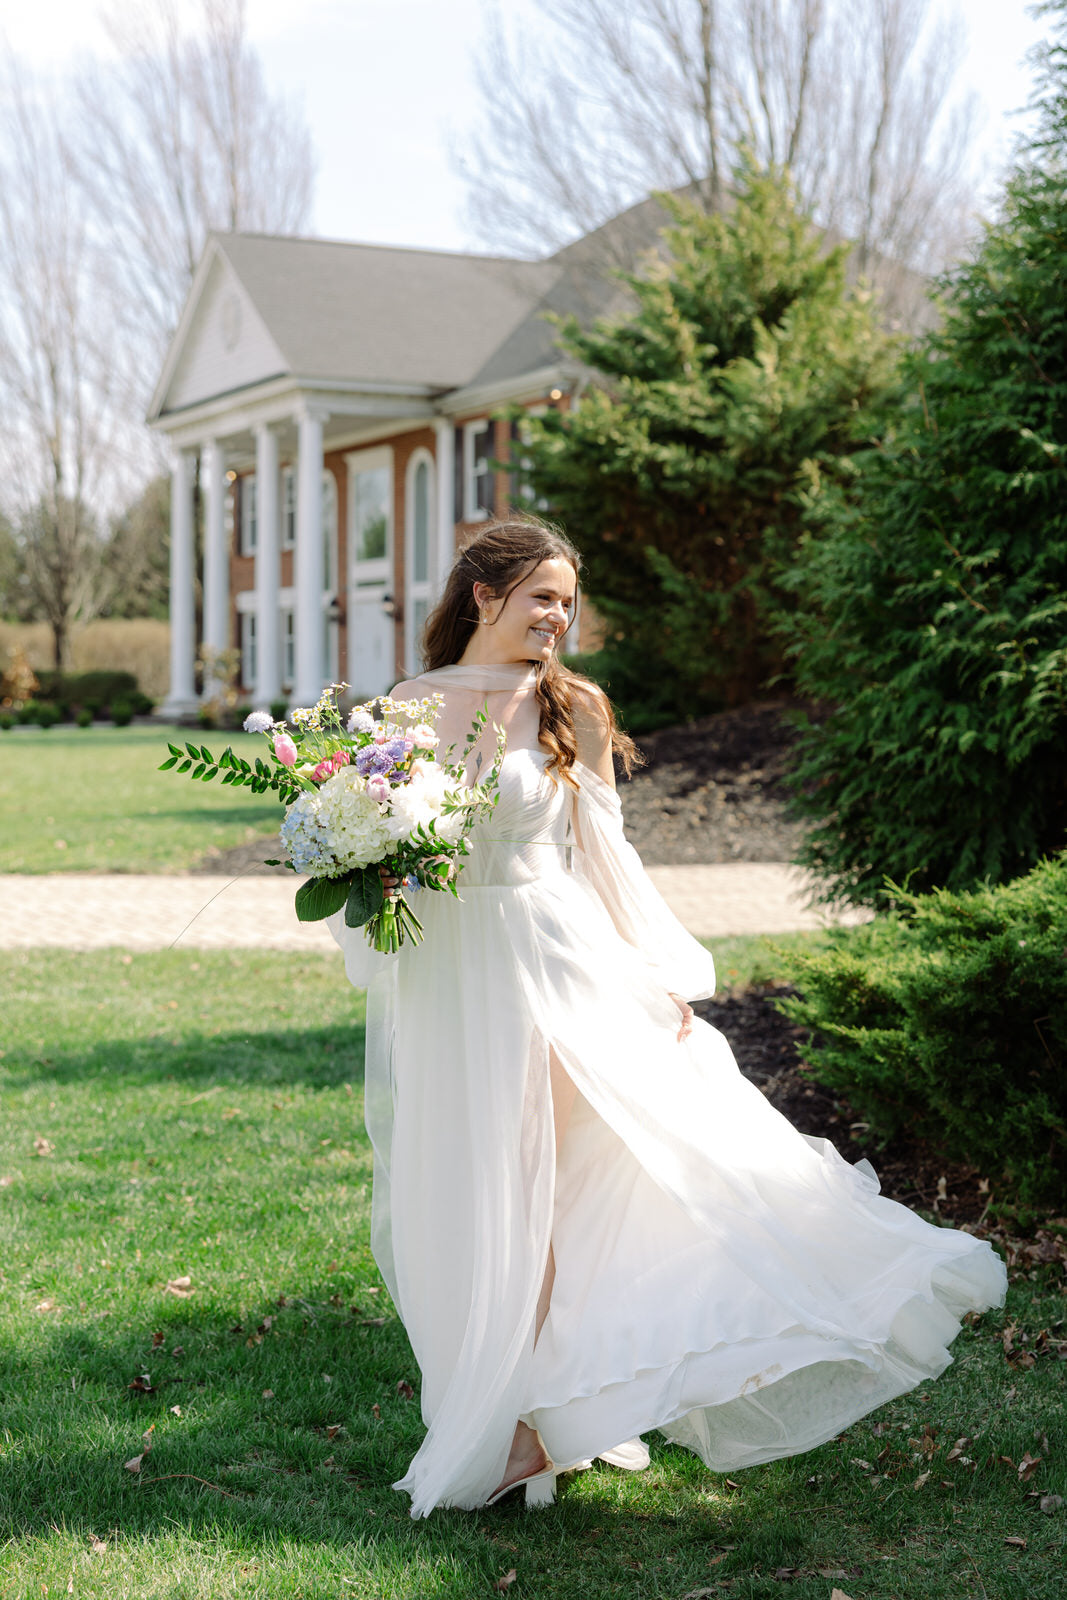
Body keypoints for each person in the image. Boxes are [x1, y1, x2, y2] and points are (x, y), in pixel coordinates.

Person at [328, 516, 1007, 1520]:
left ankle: (533, 1420)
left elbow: (606, 858)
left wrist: (658, 978)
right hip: (454, 973)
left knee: (569, 1175)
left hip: (556, 959)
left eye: (566, 600)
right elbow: (371, 853)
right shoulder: (409, 708)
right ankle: (525, 1410)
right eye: (540, 597)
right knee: (477, 1183)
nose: (557, 617)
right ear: (483, 595)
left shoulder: (576, 708)